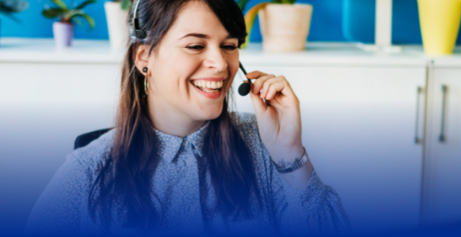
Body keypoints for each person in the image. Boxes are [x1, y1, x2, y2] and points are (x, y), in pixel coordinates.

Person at [25, 0, 351, 235]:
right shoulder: (87, 171)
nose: (221, 64)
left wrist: (289, 154)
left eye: (229, 45)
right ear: (144, 57)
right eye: (196, 45)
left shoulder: (265, 148)